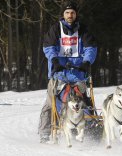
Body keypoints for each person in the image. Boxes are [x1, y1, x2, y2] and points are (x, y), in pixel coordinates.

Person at [38, 1, 97, 143]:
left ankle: (90, 128)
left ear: (76, 14)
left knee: (85, 102)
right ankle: (45, 133)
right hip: (58, 75)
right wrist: (55, 61)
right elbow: (49, 48)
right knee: (50, 103)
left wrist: (86, 62)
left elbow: (91, 48)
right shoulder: (55, 30)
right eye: (67, 13)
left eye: (72, 12)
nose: (70, 15)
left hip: (78, 75)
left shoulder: (83, 30)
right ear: (63, 15)